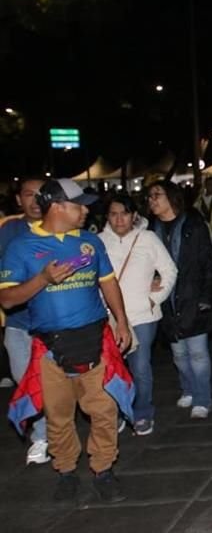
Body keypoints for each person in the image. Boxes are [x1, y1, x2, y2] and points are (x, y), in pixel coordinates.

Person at [1, 179, 133, 503]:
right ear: (57, 206)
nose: (86, 210)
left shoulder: (90, 242)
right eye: (79, 204)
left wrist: (123, 321)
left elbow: (109, 283)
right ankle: (66, 471)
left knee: (103, 409)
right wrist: (43, 279)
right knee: (58, 415)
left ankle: (103, 470)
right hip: (50, 349)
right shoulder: (22, 247)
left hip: (95, 341)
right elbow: (6, 299)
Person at [99, 193, 178, 436]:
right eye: (113, 214)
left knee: (140, 367)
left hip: (143, 316)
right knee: (110, 369)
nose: (119, 219)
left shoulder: (147, 238)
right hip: (108, 317)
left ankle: (142, 412)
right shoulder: (98, 241)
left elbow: (169, 270)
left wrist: (154, 299)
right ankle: (118, 413)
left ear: (134, 215)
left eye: (124, 213)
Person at [147, 180, 212, 419]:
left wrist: (208, 296)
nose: (152, 200)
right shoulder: (149, 230)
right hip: (166, 300)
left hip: (193, 295)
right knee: (178, 353)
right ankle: (188, 388)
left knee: (197, 352)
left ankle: (203, 397)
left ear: (172, 197)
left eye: (158, 195)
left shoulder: (193, 225)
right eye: (150, 196)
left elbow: (208, 262)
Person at [0, 177, 51, 464]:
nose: (34, 200)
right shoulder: (8, 229)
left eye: (41, 194)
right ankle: (42, 434)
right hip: (18, 323)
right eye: (28, 195)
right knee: (26, 380)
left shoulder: (60, 227)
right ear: (19, 199)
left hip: (54, 324)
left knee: (62, 384)